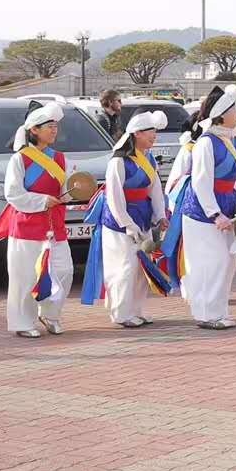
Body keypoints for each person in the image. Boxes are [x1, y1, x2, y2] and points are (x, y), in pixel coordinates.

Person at [80, 110, 169, 327]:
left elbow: (155, 189)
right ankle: (121, 313)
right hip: (120, 222)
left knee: (141, 267)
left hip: (143, 217)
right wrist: (127, 224)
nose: (154, 136)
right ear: (137, 133)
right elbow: (114, 197)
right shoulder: (118, 162)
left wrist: (160, 215)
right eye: (150, 132)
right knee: (124, 266)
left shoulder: (148, 159)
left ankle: (136, 310)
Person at [0, 103, 77, 338]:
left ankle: (50, 314)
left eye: (55, 127)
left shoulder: (60, 158)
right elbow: (13, 194)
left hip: (55, 225)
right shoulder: (20, 159)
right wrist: (43, 201)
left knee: (64, 271)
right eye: (49, 127)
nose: (54, 131)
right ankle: (22, 322)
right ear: (34, 130)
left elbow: (66, 189)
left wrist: (75, 190)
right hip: (27, 226)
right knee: (25, 276)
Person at [178, 85, 236, 330]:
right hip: (203, 213)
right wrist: (214, 213)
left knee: (226, 263)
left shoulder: (230, 140)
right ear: (222, 114)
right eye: (235, 109)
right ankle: (205, 313)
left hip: (226, 208)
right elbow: (201, 182)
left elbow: (235, 180)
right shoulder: (207, 142)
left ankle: (218, 310)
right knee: (210, 262)